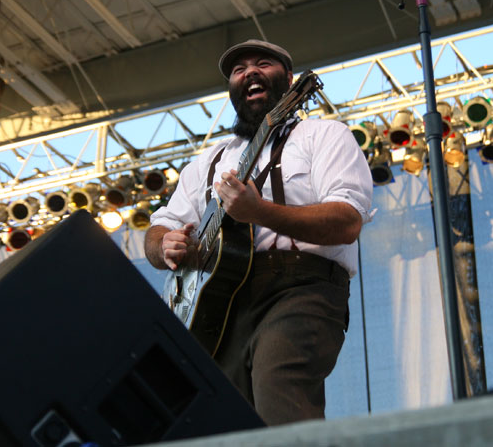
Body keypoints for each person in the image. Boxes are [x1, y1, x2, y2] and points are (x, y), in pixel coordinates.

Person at [144, 39, 373, 425]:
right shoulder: (211, 160)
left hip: (302, 288)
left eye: (262, 64)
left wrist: (260, 212)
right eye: (238, 70)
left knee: (278, 393)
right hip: (220, 301)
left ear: (288, 80)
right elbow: (157, 229)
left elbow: (347, 220)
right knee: (229, 422)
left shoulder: (323, 135)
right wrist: (164, 246)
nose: (249, 72)